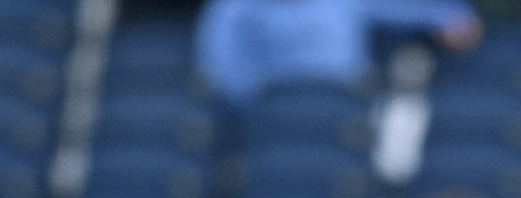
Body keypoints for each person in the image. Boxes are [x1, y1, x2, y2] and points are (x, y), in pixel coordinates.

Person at [195, 0, 480, 104]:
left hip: (347, 111)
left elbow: (410, 8)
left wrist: (450, 15)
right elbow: (224, 76)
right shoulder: (234, 9)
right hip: (274, 114)